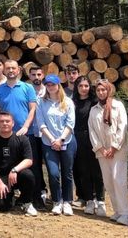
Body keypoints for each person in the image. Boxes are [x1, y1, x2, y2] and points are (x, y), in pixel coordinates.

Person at [0, 60, 40, 208]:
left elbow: (33, 109)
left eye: (13, 68)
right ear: (4, 71)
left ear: (18, 70)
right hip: (5, 135)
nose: (10, 70)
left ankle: (33, 199)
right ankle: (9, 193)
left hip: (26, 134)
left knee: (31, 169)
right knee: (5, 165)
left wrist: (26, 126)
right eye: (8, 68)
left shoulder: (27, 88)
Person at [88, 79, 128, 226]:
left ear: (109, 90)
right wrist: (101, 148)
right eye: (99, 90)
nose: (101, 92)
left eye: (104, 90)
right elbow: (92, 131)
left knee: (118, 180)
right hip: (102, 151)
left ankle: (125, 213)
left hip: (117, 149)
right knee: (108, 181)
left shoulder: (118, 106)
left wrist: (113, 147)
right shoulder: (94, 110)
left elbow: (122, 127)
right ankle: (117, 211)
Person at [36, 74, 76, 216]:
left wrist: (61, 139)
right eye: (48, 84)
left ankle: (67, 201)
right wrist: (53, 140)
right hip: (48, 142)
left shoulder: (68, 102)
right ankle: (57, 201)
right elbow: (41, 123)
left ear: (58, 85)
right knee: (53, 173)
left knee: (67, 172)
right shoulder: (41, 102)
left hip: (67, 141)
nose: (50, 87)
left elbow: (70, 124)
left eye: (53, 84)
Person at [0, 111, 36, 216]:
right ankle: (10, 197)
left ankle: (26, 202)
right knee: (2, 207)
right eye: (2, 121)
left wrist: (15, 170)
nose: (5, 123)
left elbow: (29, 160)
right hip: (1, 177)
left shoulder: (22, 138)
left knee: (28, 175)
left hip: (16, 175)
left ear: (13, 123)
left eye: (7, 121)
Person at [72, 76, 105, 216]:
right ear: (77, 87)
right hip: (78, 139)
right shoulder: (72, 102)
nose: (83, 89)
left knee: (97, 171)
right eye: (81, 86)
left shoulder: (94, 102)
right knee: (83, 171)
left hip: (94, 138)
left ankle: (100, 200)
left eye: (86, 86)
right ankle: (89, 200)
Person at [27, 64, 47, 207]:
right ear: (29, 76)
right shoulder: (27, 90)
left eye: (39, 75)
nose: (36, 77)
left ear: (43, 75)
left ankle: (50, 193)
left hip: (46, 134)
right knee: (35, 164)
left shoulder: (49, 90)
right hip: (32, 133)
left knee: (50, 165)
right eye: (33, 75)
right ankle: (38, 192)